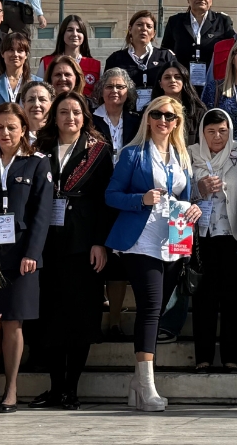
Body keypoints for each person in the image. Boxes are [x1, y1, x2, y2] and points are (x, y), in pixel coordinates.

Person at [105, 96, 200, 411]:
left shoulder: (182, 157)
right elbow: (111, 195)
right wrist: (140, 199)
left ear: (177, 122)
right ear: (148, 118)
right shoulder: (133, 154)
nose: (163, 120)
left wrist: (193, 209)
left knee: (156, 309)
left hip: (174, 239)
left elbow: (186, 198)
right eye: (157, 114)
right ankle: (146, 386)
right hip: (140, 240)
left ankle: (137, 383)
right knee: (150, 306)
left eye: (170, 116)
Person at [0, 102, 52, 412]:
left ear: (23, 129)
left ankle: (11, 389)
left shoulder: (37, 163)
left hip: (21, 256)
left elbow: (41, 215)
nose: (5, 132)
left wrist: (32, 253)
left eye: (11, 127)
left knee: (13, 323)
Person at [32, 91, 114, 411]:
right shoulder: (40, 149)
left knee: (79, 318)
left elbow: (106, 202)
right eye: (64, 111)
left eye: (76, 112)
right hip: (46, 243)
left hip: (83, 245)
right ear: (54, 116)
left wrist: (100, 242)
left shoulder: (99, 152)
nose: (70, 117)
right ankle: (54, 389)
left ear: (85, 116)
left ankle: (71, 390)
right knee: (51, 316)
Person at [188, 109, 237, 373]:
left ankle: (231, 357)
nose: (217, 136)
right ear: (202, 132)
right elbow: (177, 187)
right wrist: (198, 189)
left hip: (232, 235)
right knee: (203, 298)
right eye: (210, 131)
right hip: (201, 238)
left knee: (233, 297)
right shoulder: (190, 154)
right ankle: (203, 356)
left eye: (222, 130)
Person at [92, 68, 140, 340]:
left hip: (125, 195)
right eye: (109, 86)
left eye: (120, 87)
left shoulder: (136, 121)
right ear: (101, 90)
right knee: (98, 258)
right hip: (96, 195)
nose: (115, 91)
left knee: (119, 263)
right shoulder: (90, 119)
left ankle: (115, 320)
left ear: (127, 92)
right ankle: (94, 317)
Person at [161, 0, 236, 85]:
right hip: (182, 83)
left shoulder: (222, 21)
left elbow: (233, 49)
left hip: (214, 82)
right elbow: (165, 51)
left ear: (211, 0)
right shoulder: (175, 21)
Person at [105, 10, 180, 113]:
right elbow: (106, 90)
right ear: (130, 29)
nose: (144, 29)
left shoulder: (166, 56)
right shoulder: (116, 59)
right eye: (139, 25)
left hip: (159, 116)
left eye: (149, 26)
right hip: (126, 116)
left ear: (154, 33)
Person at [36, 14, 101, 94]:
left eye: (79, 31)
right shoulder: (47, 62)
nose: (74, 34)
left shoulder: (95, 65)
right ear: (62, 33)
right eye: (70, 30)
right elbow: (38, 91)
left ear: (84, 36)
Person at [152, 62, 207, 144]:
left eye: (177, 77)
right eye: (167, 77)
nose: (173, 80)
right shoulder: (151, 112)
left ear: (184, 81)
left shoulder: (198, 112)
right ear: (160, 83)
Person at [0, 31, 39, 107]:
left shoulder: (38, 83)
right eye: (11, 50)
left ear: (26, 55)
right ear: (2, 53)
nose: (15, 54)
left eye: (20, 50)